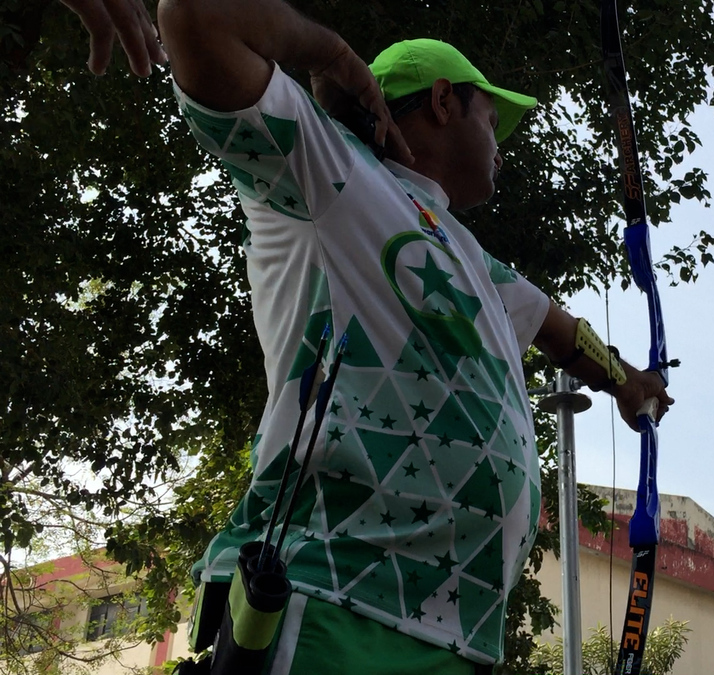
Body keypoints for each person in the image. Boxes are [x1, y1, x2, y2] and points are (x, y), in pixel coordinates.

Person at [61, 0, 672, 673]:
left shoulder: (466, 254)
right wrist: (331, 55)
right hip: (334, 598)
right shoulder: (333, 173)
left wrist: (626, 381)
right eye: (491, 120)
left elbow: (562, 333)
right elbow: (195, 18)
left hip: (457, 634)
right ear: (443, 100)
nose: (500, 145)